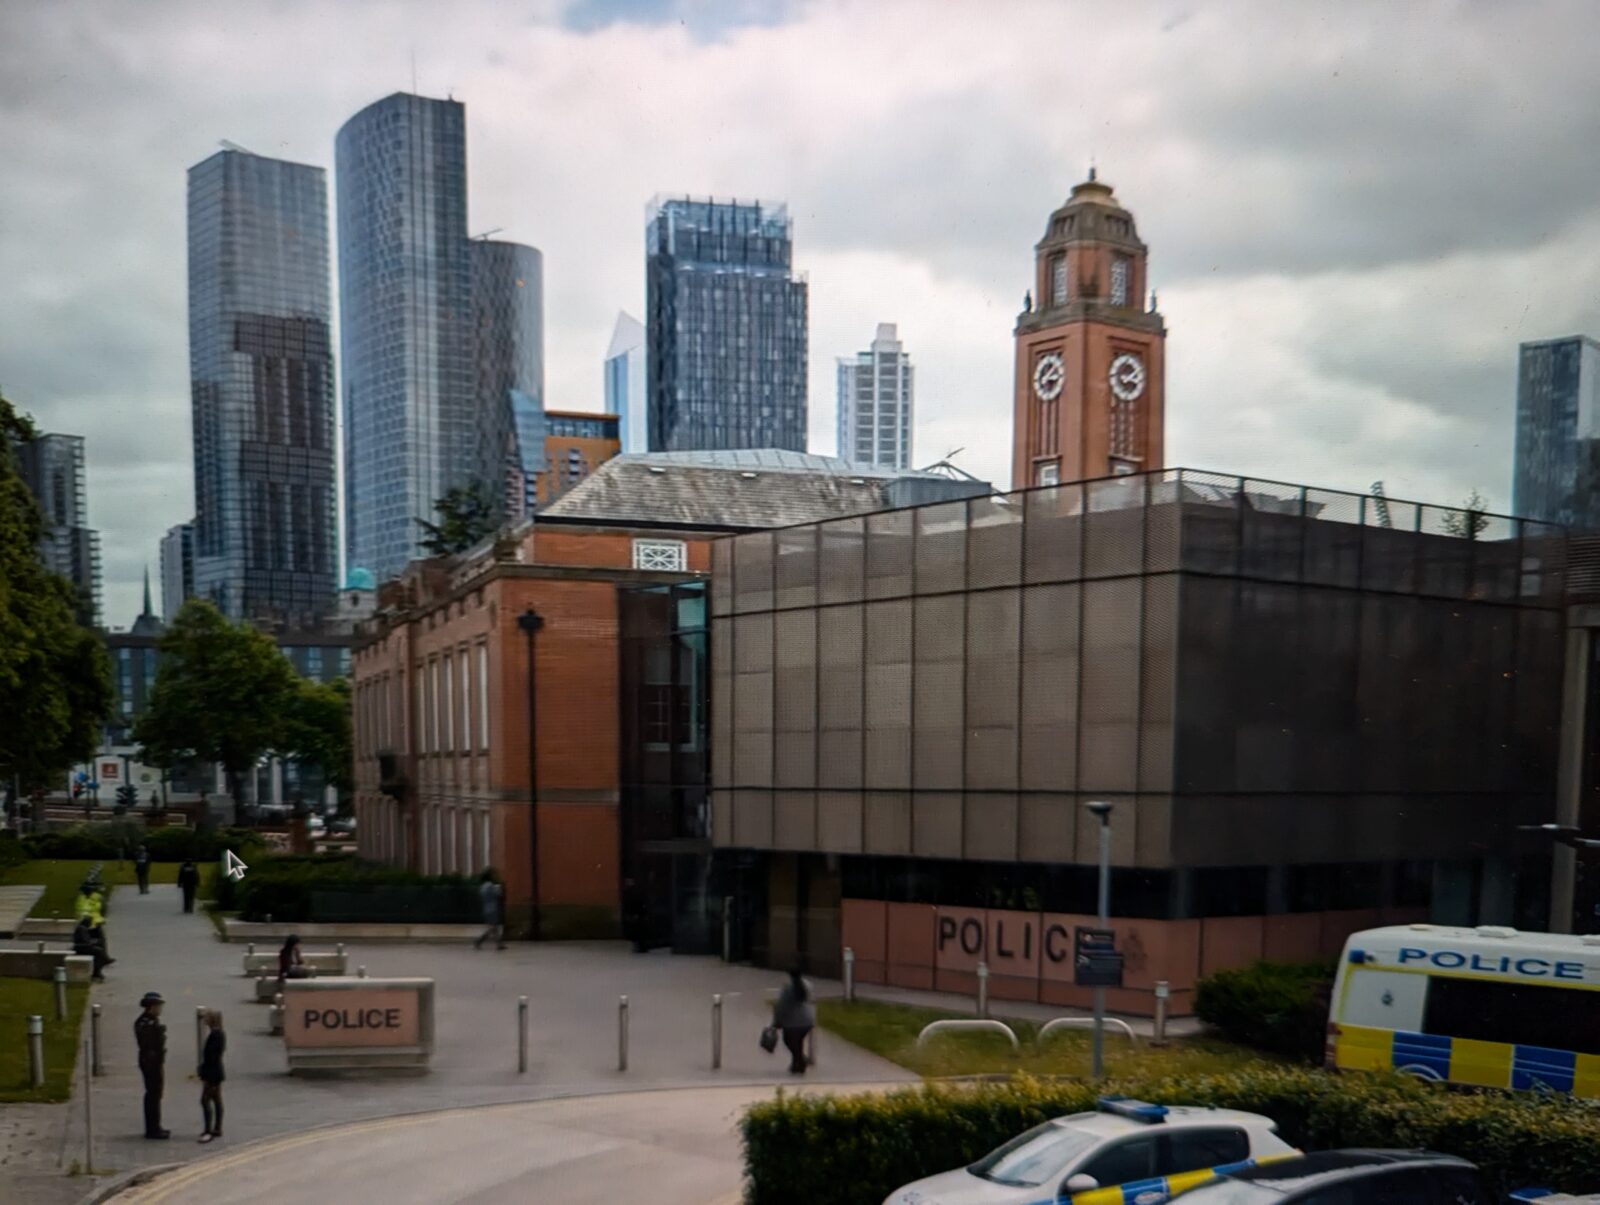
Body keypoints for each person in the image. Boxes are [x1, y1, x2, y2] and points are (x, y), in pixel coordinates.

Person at [134, 991, 169, 1139]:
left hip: (155, 1061)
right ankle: (152, 1129)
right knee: (153, 1094)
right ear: (151, 1007)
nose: (160, 1009)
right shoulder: (145, 1022)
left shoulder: (151, 1021)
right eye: (158, 1006)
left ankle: (156, 1125)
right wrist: (159, 1034)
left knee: (157, 1093)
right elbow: (149, 1044)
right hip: (150, 1062)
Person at [772, 967, 816, 1075]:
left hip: (792, 1022)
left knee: (789, 1041)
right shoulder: (807, 985)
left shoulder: (788, 988)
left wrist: (776, 1022)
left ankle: (800, 1061)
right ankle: (796, 1064)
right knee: (798, 1042)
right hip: (807, 1020)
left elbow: (782, 1006)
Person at [197, 1010, 225, 1143]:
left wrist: (206, 1074)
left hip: (212, 1073)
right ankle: (217, 1127)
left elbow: (211, 1057)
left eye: (207, 1017)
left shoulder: (216, 1035)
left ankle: (208, 1129)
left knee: (205, 1100)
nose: (205, 1019)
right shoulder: (218, 1034)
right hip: (216, 1072)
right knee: (216, 1100)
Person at [72, 914, 111, 981]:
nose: (90, 924)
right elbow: (86, 941)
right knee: (99, 952)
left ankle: (101, 965)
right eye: (90, 922)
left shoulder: (83, 928)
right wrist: (94, 942)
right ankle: (97, 971)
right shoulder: (81, 929)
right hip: (81, 948)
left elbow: (89, 937)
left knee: (99, 950)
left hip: (83, 946)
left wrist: (97, 929)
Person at [473, 870, 505, 951]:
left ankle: (499, 944)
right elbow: (498, 894)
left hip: (486, 908)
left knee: (494, 927)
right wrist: (499, 888)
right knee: (493, 927)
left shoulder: (482, 887)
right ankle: (479, 941)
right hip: (493, 908)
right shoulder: (491, 886)